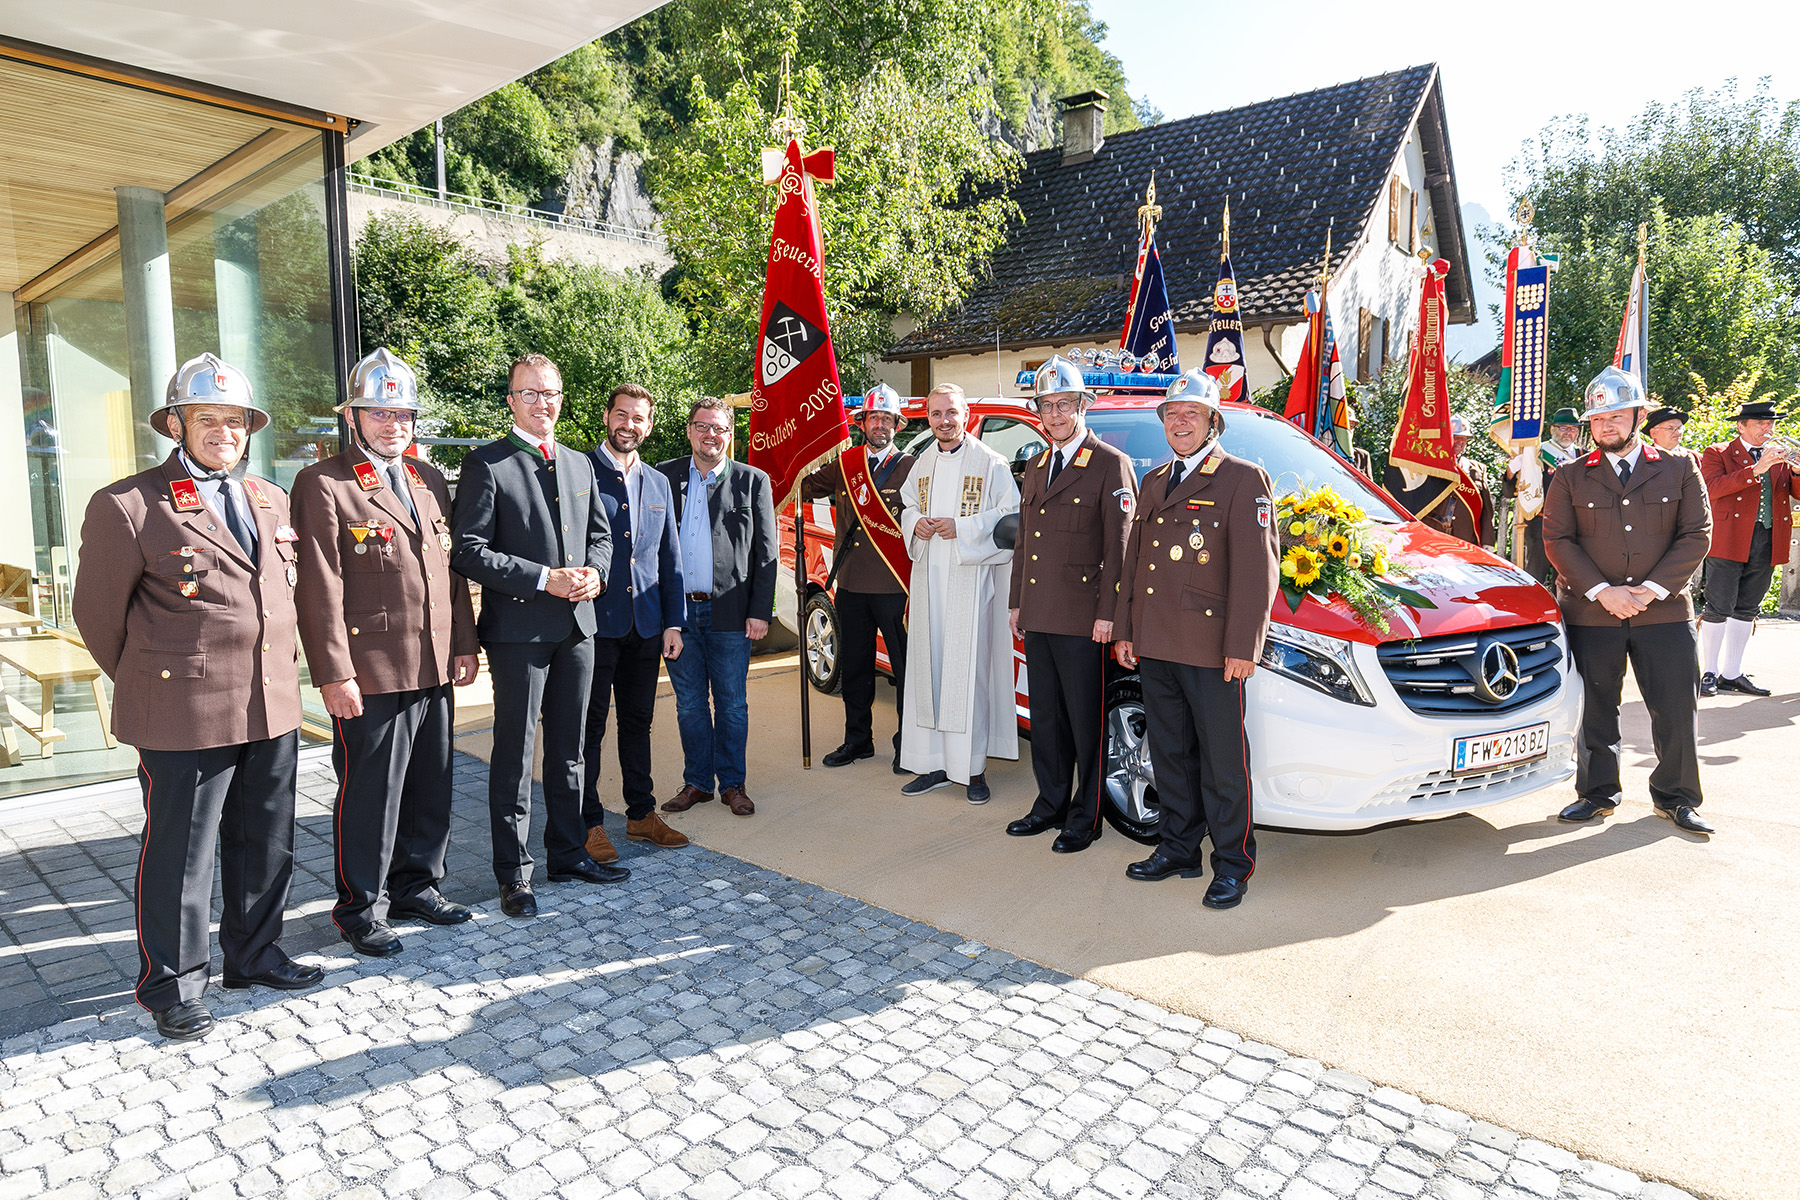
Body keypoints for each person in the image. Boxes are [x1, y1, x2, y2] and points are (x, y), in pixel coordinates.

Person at [73, 353, 324, 1040]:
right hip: (182, 713)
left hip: (269, 702)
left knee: (265, 840)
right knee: (183, 854)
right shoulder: (129, 505)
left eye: (235, 420)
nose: (223, 432)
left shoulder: (269, 498)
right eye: (206, 418)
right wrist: (157, 684)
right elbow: (98, 617)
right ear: (177, 425)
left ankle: (253, 953)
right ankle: (173, 984)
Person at [292, 348, 481, 958]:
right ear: (354, 417)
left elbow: (450, 572)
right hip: (367, 671)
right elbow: (319, 586)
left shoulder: (428, 480)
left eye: (402, 413)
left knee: (432, 782)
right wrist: (332, 673)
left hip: (431, 662)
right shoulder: (325, 483)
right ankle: (360, 907)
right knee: (372, 792)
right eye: (378, 413)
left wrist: (463, 643)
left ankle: (417, 885)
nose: (392, 424)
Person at [450, 353, 625, 920]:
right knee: (515, 752)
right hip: (519, 633)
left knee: (571, 749)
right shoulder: (487, 464)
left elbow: (602, 535)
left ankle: (568, 853)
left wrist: (595, 572)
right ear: (511, 401)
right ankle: (514, 874)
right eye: (530, 393)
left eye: (550, 393)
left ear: (562, 398)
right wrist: (543, 579)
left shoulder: (579, 464)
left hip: (577, 628)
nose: (542, 402)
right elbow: (468, 551)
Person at [1112, 370, 1277, 909]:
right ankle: (1178, 846)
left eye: (1191, 413)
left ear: (1212, 421)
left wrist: (1242, 646)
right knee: (1170, 754)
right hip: (1157, 644)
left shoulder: (1242, 478)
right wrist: (1128, 630)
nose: (1180, 422)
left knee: (1223, 761)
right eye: (1172, 414)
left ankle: (1233, 862)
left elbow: (1258, 573)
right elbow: (1136, 566)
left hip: (1211, 650)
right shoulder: (1155, 480)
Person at [1543, 367, 1713, 834]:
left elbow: (1696, 532)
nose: (1606, 426)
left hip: (1663, 610)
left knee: (1676, 706)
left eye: (1616, 416)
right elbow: (1558, 540)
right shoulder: (1571, 476)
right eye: (1597, 419)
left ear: (1639, 416)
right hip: (1593, 613)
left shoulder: (1679, 467)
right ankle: (1596, 794)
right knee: (1597, 707)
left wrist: (1652, 589)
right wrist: (1603, 592)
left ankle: (1676, 798)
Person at [1005, 356, 1135, 853]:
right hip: (1038, 615)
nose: (1055, 414)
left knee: (1085, 721)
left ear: (1083, 406)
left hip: (1085, 620)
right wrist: (1018, 602)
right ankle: (1050, 802)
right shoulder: (1037, 465)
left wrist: (1109, 615)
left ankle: (1087, 814)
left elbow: (1119, 550)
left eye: (1064, 404)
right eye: (1047, 405)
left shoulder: (1109, 464)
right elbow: (1025, 545)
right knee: (1048, 718)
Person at [897, 383, 1021, 803]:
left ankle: (972, 770)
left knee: (967, 678)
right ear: (927, 418)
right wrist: (916, 522)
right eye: (936, 414)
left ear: (965, 414)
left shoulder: (991, 463)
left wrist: (963, 529)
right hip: (929, 579)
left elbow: (1011, 516)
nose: (944, 422)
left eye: (951, 413)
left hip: (971, 584)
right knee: (929, 672)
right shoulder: (923, 461)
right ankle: (932, 764)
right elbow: (907, 502)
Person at [657, 399, 779, 818]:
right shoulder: (662, 477)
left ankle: (732, 784)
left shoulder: (752, 481)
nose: (711, 435)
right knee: (689, 703)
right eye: (703, 426)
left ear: (731, 434)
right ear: (689, 430)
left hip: (730, 613)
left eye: (720, 428)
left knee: (731, 704)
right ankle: (697, 783)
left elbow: (767, 554)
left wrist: (760, 611)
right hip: (678, 615)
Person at [581, 383, 690, 853]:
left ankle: (641, 814)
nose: (630, 425)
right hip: (594, 624)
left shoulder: (660, 482)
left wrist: (673, 621)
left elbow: (670, 558)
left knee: (638, 722)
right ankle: (587, 822)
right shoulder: (580, 471)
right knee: (590, 725)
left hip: (646, 625)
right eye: (622, 415)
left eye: (639, 418)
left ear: (649, 424)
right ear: (607, 417)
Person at [803, 384, 917, 774]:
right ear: (862, 423)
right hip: (851, 584)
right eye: (874, 418)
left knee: (905, 670)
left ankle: (910, 744)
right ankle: (858, 740)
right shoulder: (846, 463)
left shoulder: (913, 466)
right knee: (854, 666)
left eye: (887, 418)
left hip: (895, 586)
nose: (880, 425)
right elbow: (801, 483)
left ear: (897, 425)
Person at [1697, 400, 1800, 697]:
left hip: (1768, 537)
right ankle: (1709, 672)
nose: (1767, 429)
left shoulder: (1782, 454)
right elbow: (1711, 488)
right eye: (1760, 424)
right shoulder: (1719, 452)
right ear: (1741, 426)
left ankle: (1732, 672)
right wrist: (1757, 468)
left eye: (1771, 424)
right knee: (1719, 606)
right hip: (1729, 537)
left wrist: (1795, 472)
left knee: (1747, 608)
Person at [1446, 415, 1496, 548]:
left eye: (1464, 438)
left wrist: (1487, 542)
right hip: (1437, 540)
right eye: (1456, 437)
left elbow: (1486, 511)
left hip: (1467, 541)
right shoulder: (1432, 467)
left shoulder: (1477, 469)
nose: (1460, 442)